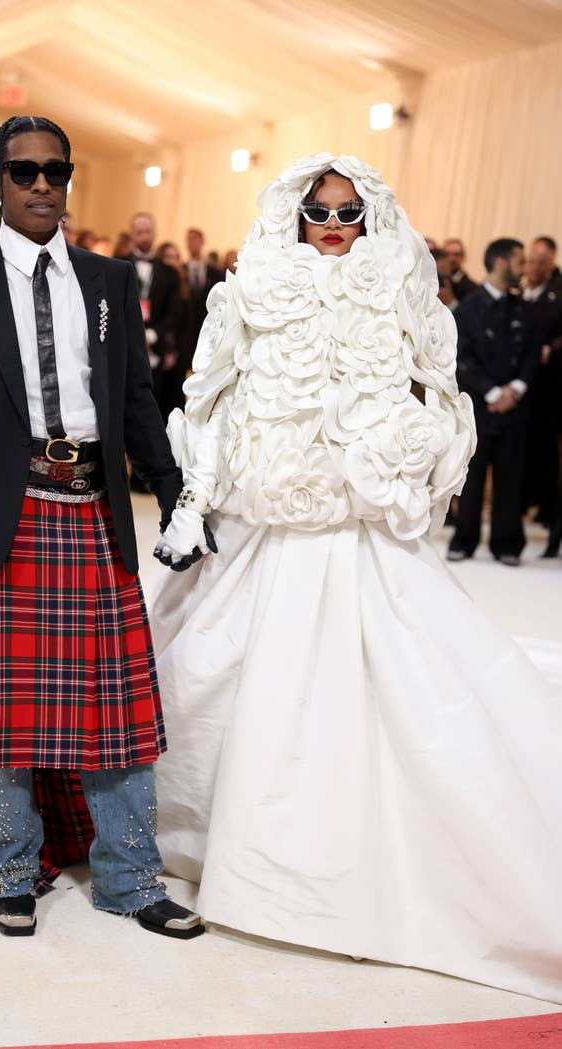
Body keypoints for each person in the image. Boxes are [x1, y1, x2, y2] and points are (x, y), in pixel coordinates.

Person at [149, 153, 562, 1003]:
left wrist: (419, 456)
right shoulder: (248, 289)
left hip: (366, 521)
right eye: (319, 213)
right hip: (268, 522)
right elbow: (211, 397)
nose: (334, 227)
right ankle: (216, 833)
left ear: (367, 218)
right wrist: (196, 497)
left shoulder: (400, 286)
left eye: (348, 214)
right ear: (294, 216)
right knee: (215, 667)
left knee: (411, 681)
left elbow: (442, 393)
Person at [0, 115, 203, 942]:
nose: (40, 185)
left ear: (69, 181)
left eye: (54, 172)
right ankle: (10, 870)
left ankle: (131, 878)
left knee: (118, 705)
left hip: (94, 515)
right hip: (3, 518)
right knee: (4, 710)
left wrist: (176, 493)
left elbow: (135, 399)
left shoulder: (108, 279)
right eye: (23, 171)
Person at [448, 239, 539, 565]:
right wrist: (492, 392)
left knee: (510, 479)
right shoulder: (469, 309)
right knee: (470, 480)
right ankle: (464, 539)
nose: (525, 267)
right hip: (479, 408)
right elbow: (461, 359)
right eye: (520, 261)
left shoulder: (525, 309)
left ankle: (507, 544)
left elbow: (532, 354)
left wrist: (515, 388)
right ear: (500, 263)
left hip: (515, 409)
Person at [124, 212, 183, 423]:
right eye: (139, 232)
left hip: (156, 349)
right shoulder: (118, 265)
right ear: (132, 234)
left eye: (148, 231)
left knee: (153, 402)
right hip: (126, 345)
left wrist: (154, 334)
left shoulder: (169, 272)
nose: (144, 237)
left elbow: (175, 312)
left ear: (155, 233)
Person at [520, 236, 562, 524]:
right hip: (520, 386)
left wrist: (552, 349)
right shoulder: (517, 292)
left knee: (545, 450)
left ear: (551, 266)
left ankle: (546, 508)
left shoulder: (558, 294)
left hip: (549, 389)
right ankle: (519, 503)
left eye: (541, 262)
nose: (534, 267)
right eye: (531, 261)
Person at [183, 228, 222, 374]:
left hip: (206, 325)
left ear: (202, 241)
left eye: (195, 239)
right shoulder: (181, 270)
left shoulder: (214, 272)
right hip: (187, 329)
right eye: (189, 239)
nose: (192, 243)